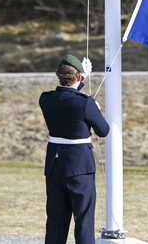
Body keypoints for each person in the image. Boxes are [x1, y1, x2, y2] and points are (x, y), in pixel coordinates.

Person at [39, 55, 110, 244]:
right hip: (80, 168)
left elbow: (67, 96)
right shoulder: (86, 103)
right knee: (84, 222)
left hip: (55, 165)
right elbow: (103, 131)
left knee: (55, 221)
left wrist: (82, 81)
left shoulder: (45, 99)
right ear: (78, 77)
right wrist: (95, 108)